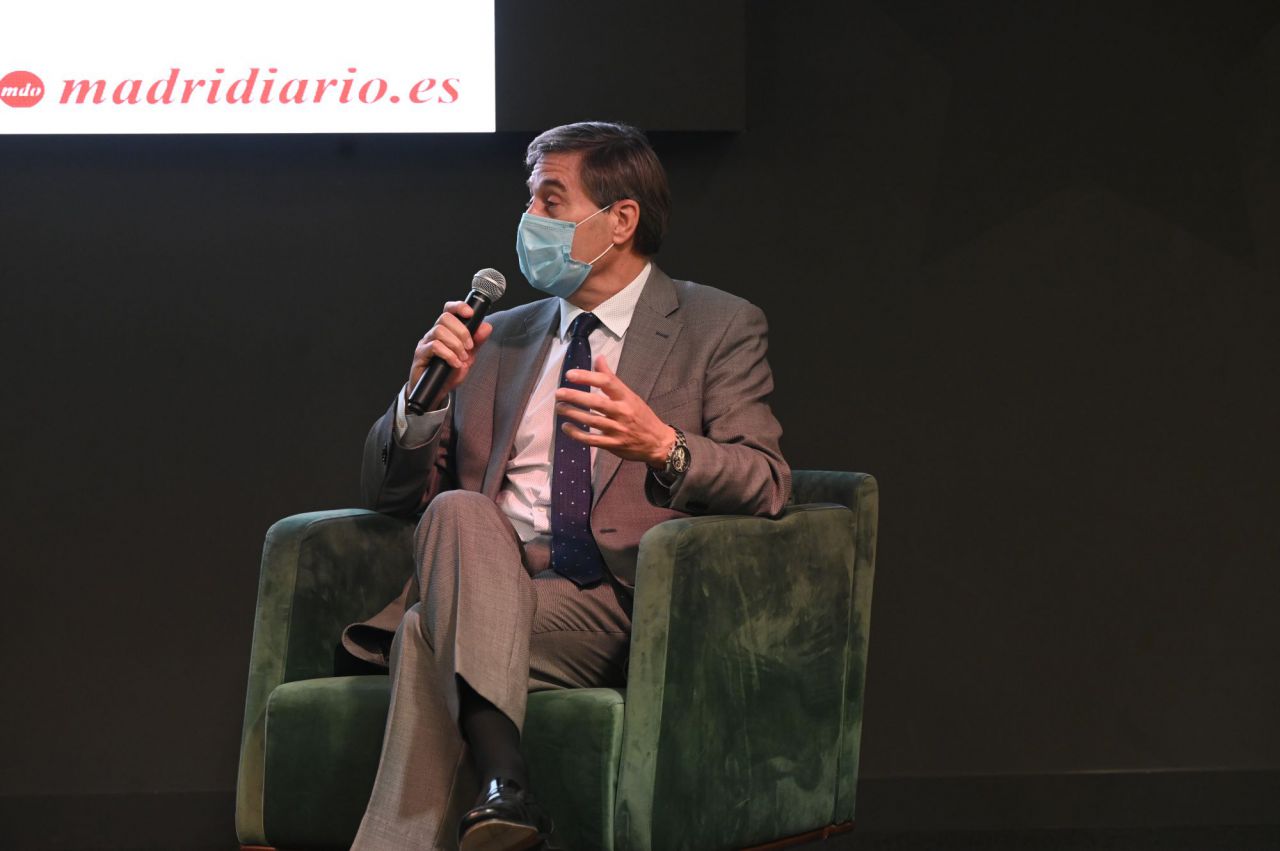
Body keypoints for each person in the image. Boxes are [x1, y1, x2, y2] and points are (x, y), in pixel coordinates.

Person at [343, 121, 790, 851]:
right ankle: (506, 789)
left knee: (426, 632)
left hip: (614, 600)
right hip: (489, 576)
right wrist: (421, 402)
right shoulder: (498, 338)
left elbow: (767, 481)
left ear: (621, 220)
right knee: (457, 510)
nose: (530, 220)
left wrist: (664, 446)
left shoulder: (716, 325)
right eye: (529, 201)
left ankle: (501, 785)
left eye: (551, 201)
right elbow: (389, 497)